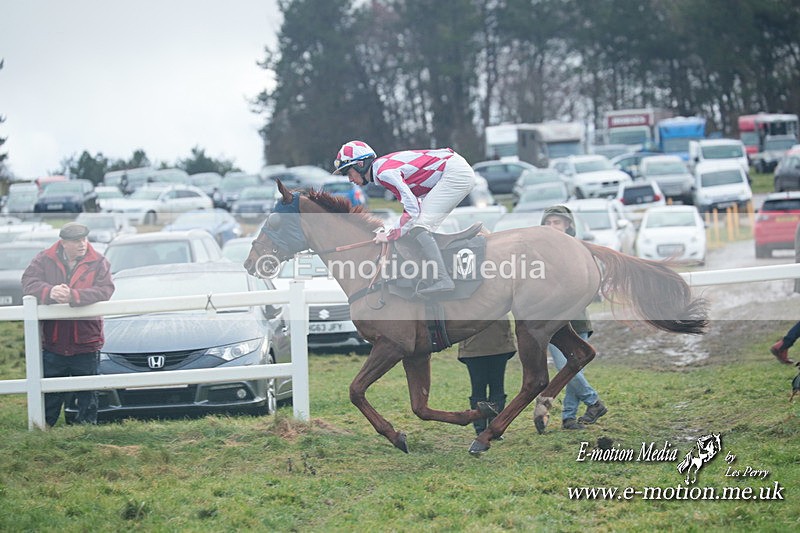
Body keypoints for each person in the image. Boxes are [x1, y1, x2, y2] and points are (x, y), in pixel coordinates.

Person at [333, 140, 476, 295]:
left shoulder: (384, 173)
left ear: (360, 165)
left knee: (419, 228)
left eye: (348, 172)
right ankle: (433, 273)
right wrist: (396, 231)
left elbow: (413, 209)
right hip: (453, 168)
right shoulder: (382, 169)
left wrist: (389, 234)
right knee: (417, 229)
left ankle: (443, 278)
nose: (349, 179)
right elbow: (413, 206)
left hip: (455, 172)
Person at [21, 222, 115, 427]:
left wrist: (75, 296)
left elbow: (106, 290)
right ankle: (43, 432)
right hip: (53, 338)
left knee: (87, 391)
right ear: (63, 243)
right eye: (75, 241)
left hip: (86, 339)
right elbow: (28, 282)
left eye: (84, 239)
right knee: (51, 392)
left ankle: (85, 433)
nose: (82, 244)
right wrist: (50, 292)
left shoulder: (99, 261)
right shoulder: (44, 258)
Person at [541, 205, 607, 430]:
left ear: (568, 225)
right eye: (548, 223)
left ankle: (575, 413)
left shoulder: (578, 250)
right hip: (552, 321)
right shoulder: (540, 252)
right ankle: (587, 406)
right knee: (568, 367)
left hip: (576, 317)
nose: (551, 227)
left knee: (571, 366)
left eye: (556, 222)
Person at [458, 318, 517, 436]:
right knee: (497, 387)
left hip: (473, 345)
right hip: (498, 342)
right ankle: (495, 427)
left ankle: (481, 429)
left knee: (479, 388)